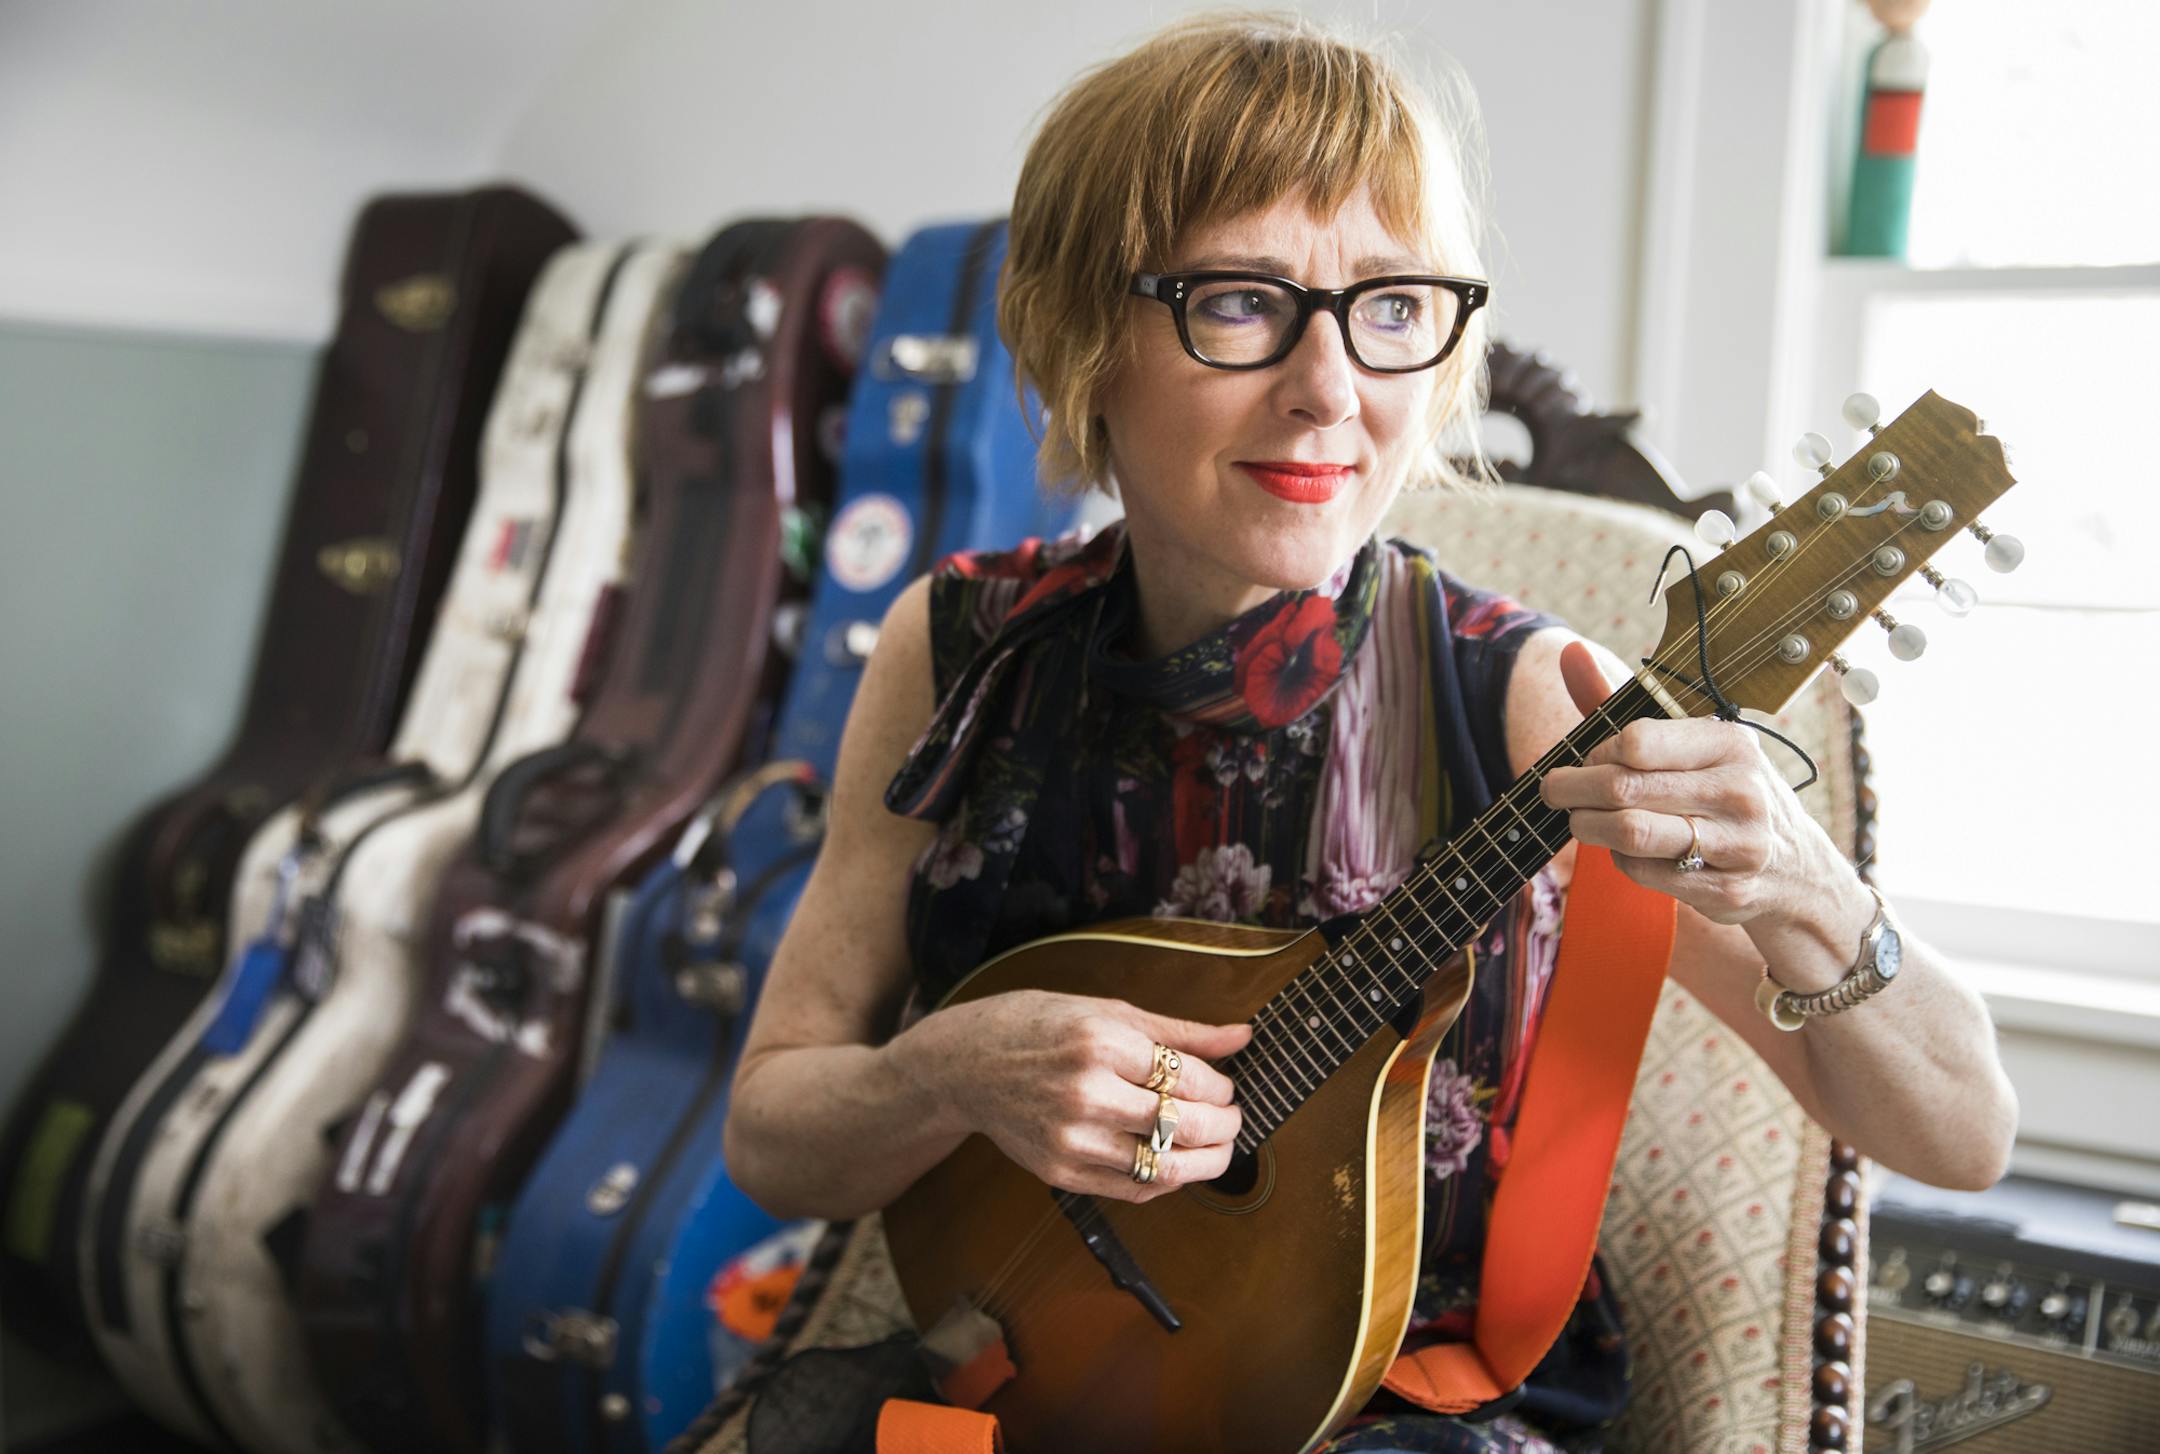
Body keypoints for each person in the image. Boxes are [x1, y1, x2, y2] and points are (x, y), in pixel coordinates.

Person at [721, 12, 2017, 1451]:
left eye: (1393, 305)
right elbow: (775, 1134)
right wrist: (946, 1070)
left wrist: (1802, 887)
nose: (1331, 388)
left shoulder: (1533, 703)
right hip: (1037, 1385)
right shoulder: (963, 653)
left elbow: (1962, 1136)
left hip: (1401, 1415)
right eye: (1240, 301)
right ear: (1088, 336)